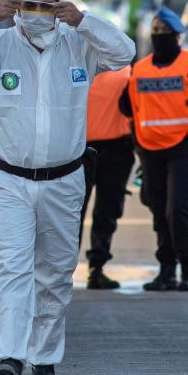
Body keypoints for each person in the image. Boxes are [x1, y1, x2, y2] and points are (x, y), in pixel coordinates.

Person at [0, 0, 134, 375]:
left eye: (47, 8)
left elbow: (125, 53)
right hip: (9, 178)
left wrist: (84, 22)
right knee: (11, 269)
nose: (38, 16)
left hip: (65, 180)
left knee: (55, 274)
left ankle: (44, 358)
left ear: (59, 10)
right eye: (30, 7)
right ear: (18, 6)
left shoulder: (79, 45)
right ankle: (9, 356)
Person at [121, 6, 188, 293]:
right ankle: (166, 269)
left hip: (184, 148)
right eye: (155, 33)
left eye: (165, 33)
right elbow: (125, 104)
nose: (159, 37)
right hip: (150, 150)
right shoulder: (139, 68)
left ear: (178, 37)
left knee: (177, 209)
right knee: (157, 209)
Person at [79, 66, 135, 290]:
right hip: (82, 150)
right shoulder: (127, 71)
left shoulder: (127, 72)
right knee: (79, 212)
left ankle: (95, 267)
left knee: (103, 211)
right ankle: (92, 268)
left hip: (111, 149)